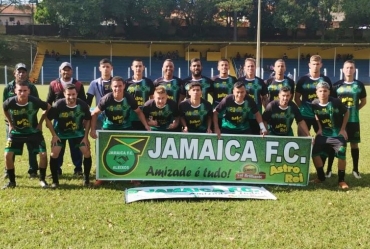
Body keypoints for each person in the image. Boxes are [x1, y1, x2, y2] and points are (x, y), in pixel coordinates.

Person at [3, 81, 50, 189]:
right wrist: (10, 123)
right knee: (7, 155)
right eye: (20, 90)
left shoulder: (34, 101)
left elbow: (48, 107)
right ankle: (12, 182)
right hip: (16, 133)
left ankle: (42, 180)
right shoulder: (10, 102)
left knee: (43, 155)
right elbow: (4, 109)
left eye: (25, 91)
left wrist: (40, 123)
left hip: (33, 132)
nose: (22, 93)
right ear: (15, 91)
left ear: (29, 91)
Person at [46, 84, 92, 188]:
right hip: (60, 133)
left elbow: (88, 119)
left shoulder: (82, 105)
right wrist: (53, 135)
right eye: (68, 94)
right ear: (64, 94)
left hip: (77, 133)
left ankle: (87, 180)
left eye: (73, 94)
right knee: (54, 154)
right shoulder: (58, 105)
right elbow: (47, 119)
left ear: (77, 94)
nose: (71, 97)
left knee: (87, 152)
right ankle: (55, 181)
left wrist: (85, 137)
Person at [328, 60, 367, 179]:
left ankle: (355, 170)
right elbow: (332, 103)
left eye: (351, 68)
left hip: (354, 121)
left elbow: (364, 101)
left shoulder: (359, 85)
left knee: (354, 144)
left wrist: (353, 111)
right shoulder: (336, 85)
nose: (349, 70)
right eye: (347, 68)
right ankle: (329, 170)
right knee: (334, 144)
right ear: (343, 70)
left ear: (354, 70)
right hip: (338, 121)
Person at [46, 62, 86, 176]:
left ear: (71, 71)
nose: (66, 72)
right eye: (64, 70)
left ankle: (78, 169)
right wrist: (47, 120)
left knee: (76, 147)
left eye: (68, 70)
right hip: (59, 121)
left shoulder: (78, 84)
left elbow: (83, 103)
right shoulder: (54, 84)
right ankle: (57, 169)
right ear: (60, 71)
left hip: (76, 120)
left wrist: (83, 119)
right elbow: (49, 102)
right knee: (58, 145)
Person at [3, 63, 39, 178]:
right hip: (12, 124)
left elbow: (37, 104)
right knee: (10, 148)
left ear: (26, 73)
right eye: (19, 71)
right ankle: (8, 172)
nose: (21, 74)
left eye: (23, 72)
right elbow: (5, 105)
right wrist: (10, 121)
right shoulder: (8, 87)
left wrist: (29, 116)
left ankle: (33, 171)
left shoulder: (32, 87)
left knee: (32, 147)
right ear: (15, 73)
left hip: (30, 123)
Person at [310, 82, 349, 189]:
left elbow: (346, 113)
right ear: (316, 92)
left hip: (337, 134)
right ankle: (321, 177)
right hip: (324, 134)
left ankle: (341, 180)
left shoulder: (336, 102)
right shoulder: (314, 103)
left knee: (341, 154)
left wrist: (342, 129)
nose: (323, 93)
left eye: (325, 91)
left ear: (329, 92)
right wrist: (319, 129)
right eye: (320, 91)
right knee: (314, 153)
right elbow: (316, 116)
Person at [295, 55, 332, 135]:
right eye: (314, 64)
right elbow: (297, 97)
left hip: (321, 114)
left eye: (317, 64)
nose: (315, 66)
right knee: (302, 139)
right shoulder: (303, 80)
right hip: (305, 115)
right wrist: (303, 108)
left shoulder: (325, 80)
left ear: (321, 65)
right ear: (309, 65)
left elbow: (330, 97)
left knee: (323, 139)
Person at [238, 58, 269, 135]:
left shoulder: (260, 82)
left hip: (256, 116)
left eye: (252, 66)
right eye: (248, 66)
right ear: (244, 68)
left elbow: (265, 99)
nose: (250, 68)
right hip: (243, 116)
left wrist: (268, 114)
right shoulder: (239, 81)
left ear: (255, 67)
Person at [125, 59, 155, 130]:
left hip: (144, 115)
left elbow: (152, 100)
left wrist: (151, 116)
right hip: (130, 116)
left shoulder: (149, 82)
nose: (138, 68)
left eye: (140, 66)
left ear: (143, 67)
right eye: (136, 66)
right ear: (132, 67)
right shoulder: (126, 82)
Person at [86, 58, 113, 129]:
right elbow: (89, 100)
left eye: (107, 66)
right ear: (99, 68)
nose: (105, 69)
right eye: (103, 67)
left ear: (111, 68)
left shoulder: (116, 83)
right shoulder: (94, 83)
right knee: (98, 136)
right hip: (99, 113)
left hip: (113, 113)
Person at [211, 59, 237, 127]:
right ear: (218, 67)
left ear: (229, 67)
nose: (224, 67)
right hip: (216, 108)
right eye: (222, 65)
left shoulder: (233, 79)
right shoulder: (213, 80)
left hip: (230, 109)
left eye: (226, 65)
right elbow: (211, 92)